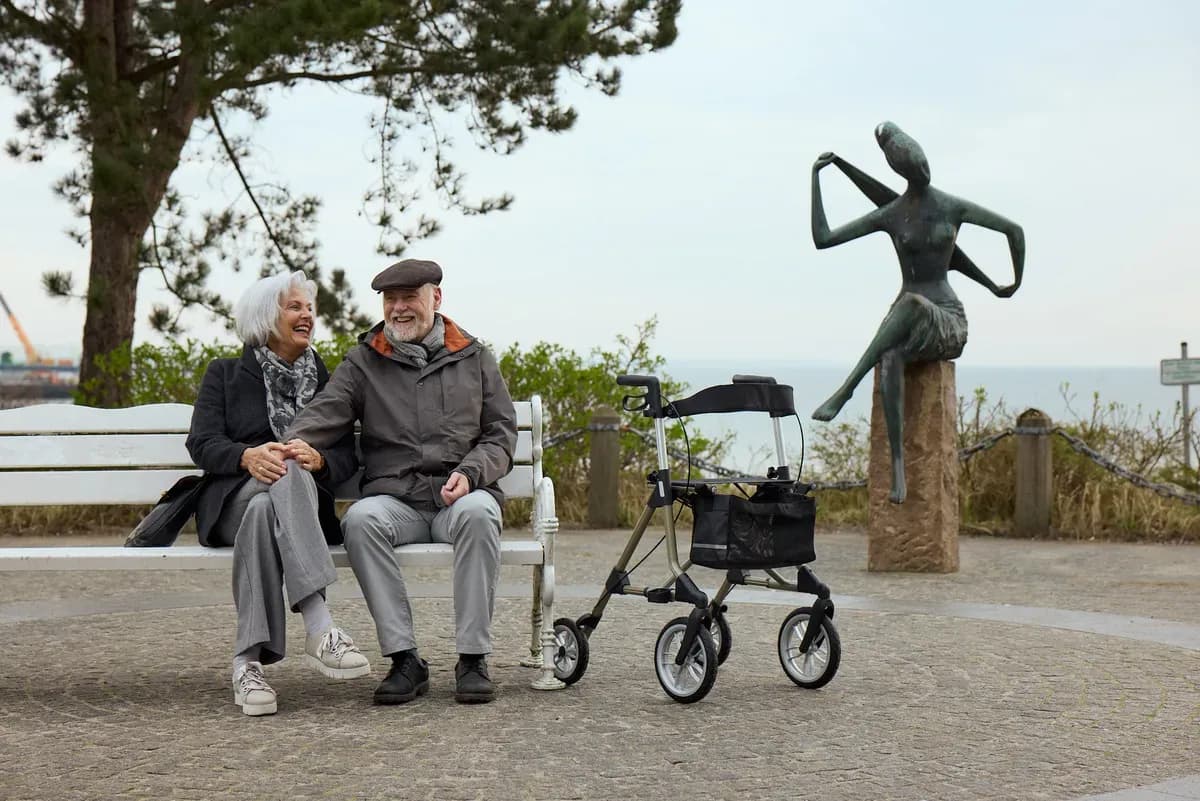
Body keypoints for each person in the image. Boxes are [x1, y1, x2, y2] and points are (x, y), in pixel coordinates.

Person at [285, 258, 517, 705]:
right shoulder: (364, 360)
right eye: (390, 300)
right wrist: (289, 444)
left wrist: (470, 474)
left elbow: (501, 433)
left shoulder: (475, 356)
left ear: (436, 298)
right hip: (397, 501)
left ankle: (472, 658)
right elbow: (326, 411)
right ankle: (404, 659)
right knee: (360, 521)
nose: (398, 308)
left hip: (461, 499)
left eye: (409, 297)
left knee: (480, 514)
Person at [810, 121, 1025, 504]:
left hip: (946, 319)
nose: (922, 172)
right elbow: (824, 239)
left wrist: (1009, 283)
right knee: (890, 357)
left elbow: (1014, 231)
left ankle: (846, 389)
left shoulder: (951, 206)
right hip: (905, 323)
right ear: (900, 170)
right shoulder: (892, 213)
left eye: (923, 164)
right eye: (913, 167)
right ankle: (897, 469)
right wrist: (817, 178)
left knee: (910, 305)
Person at [186, 271, 370, 717]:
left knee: (268, 508)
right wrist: (247, 457)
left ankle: (246, 666)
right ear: (267, 318)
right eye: (295, 307)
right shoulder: (225, 374)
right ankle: (319, 625)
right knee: (276, 475)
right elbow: (202, 443)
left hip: (287, 509)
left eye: (309, 307)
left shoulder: (326, 378)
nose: (306, 315)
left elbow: (347, 453)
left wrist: (321, 461)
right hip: (231, 501)